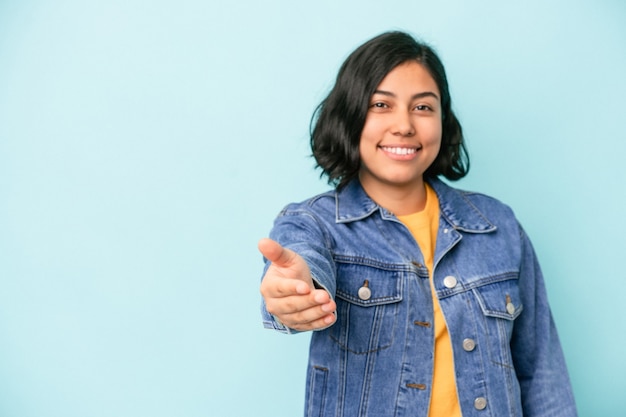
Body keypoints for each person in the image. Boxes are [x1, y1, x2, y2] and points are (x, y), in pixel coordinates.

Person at [258, 31, 577, 417]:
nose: (404, 125)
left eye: (423, 107)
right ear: (351, 115)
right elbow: (297, 270)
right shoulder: (313, 224)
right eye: (381, 104)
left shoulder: (498, 225)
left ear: (443, 119)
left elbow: (541, 371)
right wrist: (292, 294)